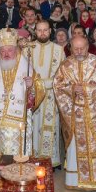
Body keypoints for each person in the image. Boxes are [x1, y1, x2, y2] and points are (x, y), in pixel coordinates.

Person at [54, 31, 96, 192]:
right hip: (74, 114)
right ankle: (75, 180)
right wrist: (72, 89)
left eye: (82, 48)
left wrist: (87, 89)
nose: (79, 51)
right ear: (70, 48)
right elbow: (58, 87)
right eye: (76, 48)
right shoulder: (65, 65)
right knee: (75, 147)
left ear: (88, 47)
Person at [0, 28, 42, 157]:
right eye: (2, 51)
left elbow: (39, 89)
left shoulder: (26, 68)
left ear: (16, 51)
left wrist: (32, 86)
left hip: (19, 123)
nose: (6, 54)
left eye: (10, 50)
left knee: (19, 158)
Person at [29, 20, 66, 166]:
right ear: (35, 31)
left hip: (51, 94)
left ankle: (51, 160)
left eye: (45, 30)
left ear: (50, 31)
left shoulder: (59, 49)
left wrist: (46, 84)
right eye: (39, 30)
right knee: (33, 126)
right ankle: (34, 157)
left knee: (51, 127)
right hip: (32, 94)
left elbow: (62, 75)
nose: (42, 33)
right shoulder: (28, 48)